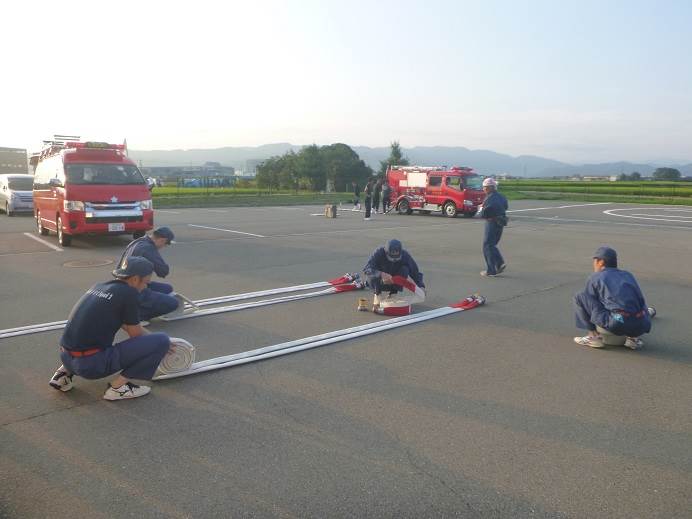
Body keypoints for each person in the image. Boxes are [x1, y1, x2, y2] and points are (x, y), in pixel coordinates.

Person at [49, 257, 172, 400]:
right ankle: (118, 388)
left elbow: (125, 325)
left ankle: (63, 375)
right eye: (146, 282)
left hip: (65, 357)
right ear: (135, 279)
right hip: (90, 365)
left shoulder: (99, 286)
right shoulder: (128, 293)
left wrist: (151, 339)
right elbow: (136, 334)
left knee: (82, 337)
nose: (145, 287)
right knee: (162, 339)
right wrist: (161, 344)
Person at [574, 247, 654, 349]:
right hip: (642, 323)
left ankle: (593, 337)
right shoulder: (628, 275)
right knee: (636, 304)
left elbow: (590, 303)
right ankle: (633, 339)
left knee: (580, 296)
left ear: (601, 262)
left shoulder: (596, 277)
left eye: (595, 261)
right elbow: (640, 299)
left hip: (618, 321)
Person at [117, 226, 179, 320]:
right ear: (162, 240)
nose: (164, 247)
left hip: (121, 283)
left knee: (167, 288)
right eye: (165, 244)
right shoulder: (148, 248)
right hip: (133, 288)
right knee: (174, 303)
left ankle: (130, 306)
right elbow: (163, 271)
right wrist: (155, 258)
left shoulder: (138, 241)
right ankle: (135, 316)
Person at [478, 177, 508, 277]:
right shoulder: (502, 196)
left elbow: (483, 213)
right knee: (492, 245)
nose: (483, 189)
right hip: (501, 222)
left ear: (490, 188)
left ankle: (491, 270)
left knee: (487, 245)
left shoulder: (489, 198)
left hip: (492, 222)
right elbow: (506, 206)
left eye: (485, 187)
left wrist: (481, 209)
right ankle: (499, 263)